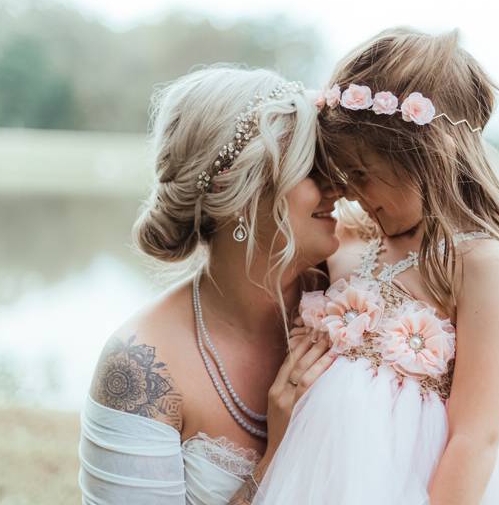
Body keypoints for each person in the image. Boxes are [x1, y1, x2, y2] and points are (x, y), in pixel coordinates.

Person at [250, 29, 499, 504]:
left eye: (362, 173)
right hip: (317, 478)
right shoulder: (350, 241)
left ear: (424, 158)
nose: (352, 191)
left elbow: (475, 438)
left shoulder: (479, 264)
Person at [78, 66, 342, 504]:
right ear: (236, 190)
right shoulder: (140, 369)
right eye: (311, 167)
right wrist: (276, 456)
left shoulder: (361, 294)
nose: (337, 186)